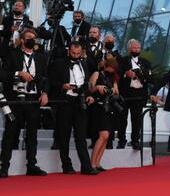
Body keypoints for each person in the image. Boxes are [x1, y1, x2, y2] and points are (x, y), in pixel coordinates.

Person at [0, 29, 48, 178]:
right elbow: (2, 74)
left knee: (32, 134)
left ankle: (31, 165)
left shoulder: (41, 57)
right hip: (15, 98)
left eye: (34, 38)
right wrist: (18, 73)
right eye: (28, 38)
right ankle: (4, 166)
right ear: (21, 40)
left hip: (33, 99)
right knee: (10, 133)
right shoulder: (12, 54)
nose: (32, 40)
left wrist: (45, 93)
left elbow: (46, 78)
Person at [49, 42, 99, 175]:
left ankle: (86, 166)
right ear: (68, 51)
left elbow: (87, 82)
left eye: (78, 54)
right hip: (65, 101)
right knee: (64, 135)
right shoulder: (59, 63)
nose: (76, 56)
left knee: (81, 135)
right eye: (73, 53)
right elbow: (50, 81)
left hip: (80, 102)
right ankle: (66, 165)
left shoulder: (84, 63)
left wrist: (89, 95)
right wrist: (62, 86)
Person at [117, 40, 152, 150]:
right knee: (122, 119)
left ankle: (135, 141)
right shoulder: (122, 61)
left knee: (136, 120)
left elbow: (150, 78)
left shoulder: (145, 62)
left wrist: (142, 76)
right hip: (125, 94)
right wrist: (126, 74)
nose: (136, 50)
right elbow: (117, 75)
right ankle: (121, 140)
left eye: (138, 48)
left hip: (139, 95)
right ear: (129, 49)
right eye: (134, 48)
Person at [89, 58, 120, 171]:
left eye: (113, 69)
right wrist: (98, 87)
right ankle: (92, 164)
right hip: (98, 107)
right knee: (103, 135)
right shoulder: (97, 74)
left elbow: (117, 91)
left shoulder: (113, 77)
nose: (111, 70)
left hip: (109, 108)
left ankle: (97, 163)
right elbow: (89, 89)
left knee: (106, 138)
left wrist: (110, 90)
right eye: (109, 68)